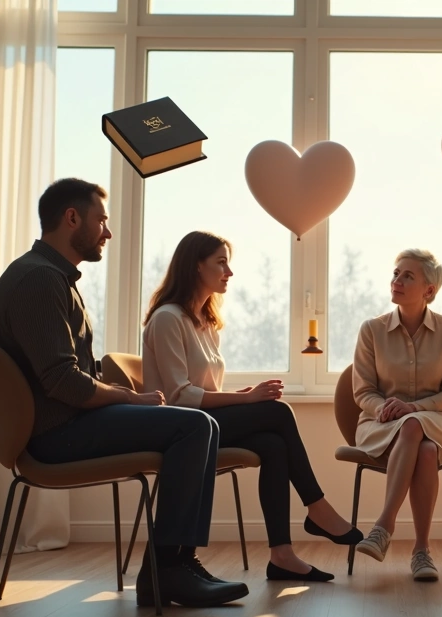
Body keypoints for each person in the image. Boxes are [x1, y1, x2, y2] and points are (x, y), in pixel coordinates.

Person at [0, 178, 247, 608]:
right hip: (55, 435)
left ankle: (178, 564)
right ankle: (168, 571)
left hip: (69, 422)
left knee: (201, 425)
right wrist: (128, 397)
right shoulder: (39, 280)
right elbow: (63, 381)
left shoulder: (52, 277)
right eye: (102, 220)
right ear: (72, 218)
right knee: (195, 426)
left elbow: (68, 374)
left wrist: (119, 393)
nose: (107, 232)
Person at [141, 231, 363, 583]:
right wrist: (244, 399)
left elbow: (204, 391)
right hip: (177, 429)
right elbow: (180, 396)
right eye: (221, 263)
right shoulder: (168, 318)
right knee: (278, 412)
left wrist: (238, 396)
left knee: (273, 445)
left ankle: (282, 556)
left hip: (202, 424)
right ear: (196, 265)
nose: (229, 272)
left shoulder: (206, 324)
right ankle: (317, 507)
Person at [349, 249, 442, 582]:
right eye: (395, 273)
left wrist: (413, 409)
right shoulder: (371, 330)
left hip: (436, 420)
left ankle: (383, 526)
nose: (397, 281)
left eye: (407, 276)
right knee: (425, 451)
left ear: (429, 289)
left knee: (414, 426)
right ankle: (421, 552)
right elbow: (363, 392)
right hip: (381, 424)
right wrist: (385, 409)